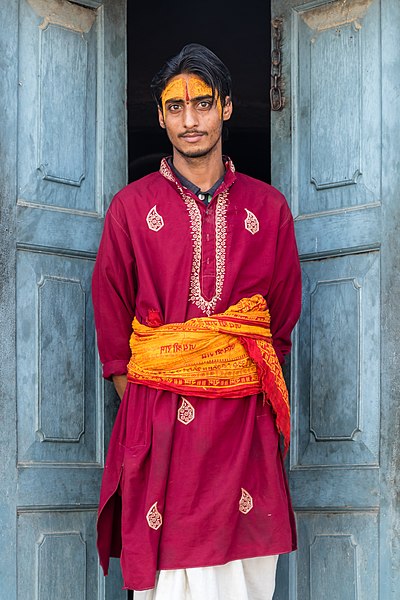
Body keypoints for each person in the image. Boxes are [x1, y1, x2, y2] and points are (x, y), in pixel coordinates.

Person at [92, 43, 301, 600]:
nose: (190, 120)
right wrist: (154, 391)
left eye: (203, 104)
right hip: (163, 423)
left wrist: (231, 377)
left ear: (227, 108)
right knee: (165, 572)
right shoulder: (131, 209)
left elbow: (278, 323)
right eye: (176, 107)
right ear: (160, 116)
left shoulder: (269, 209)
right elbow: (113, 320)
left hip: (241, 427)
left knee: (246, 571)